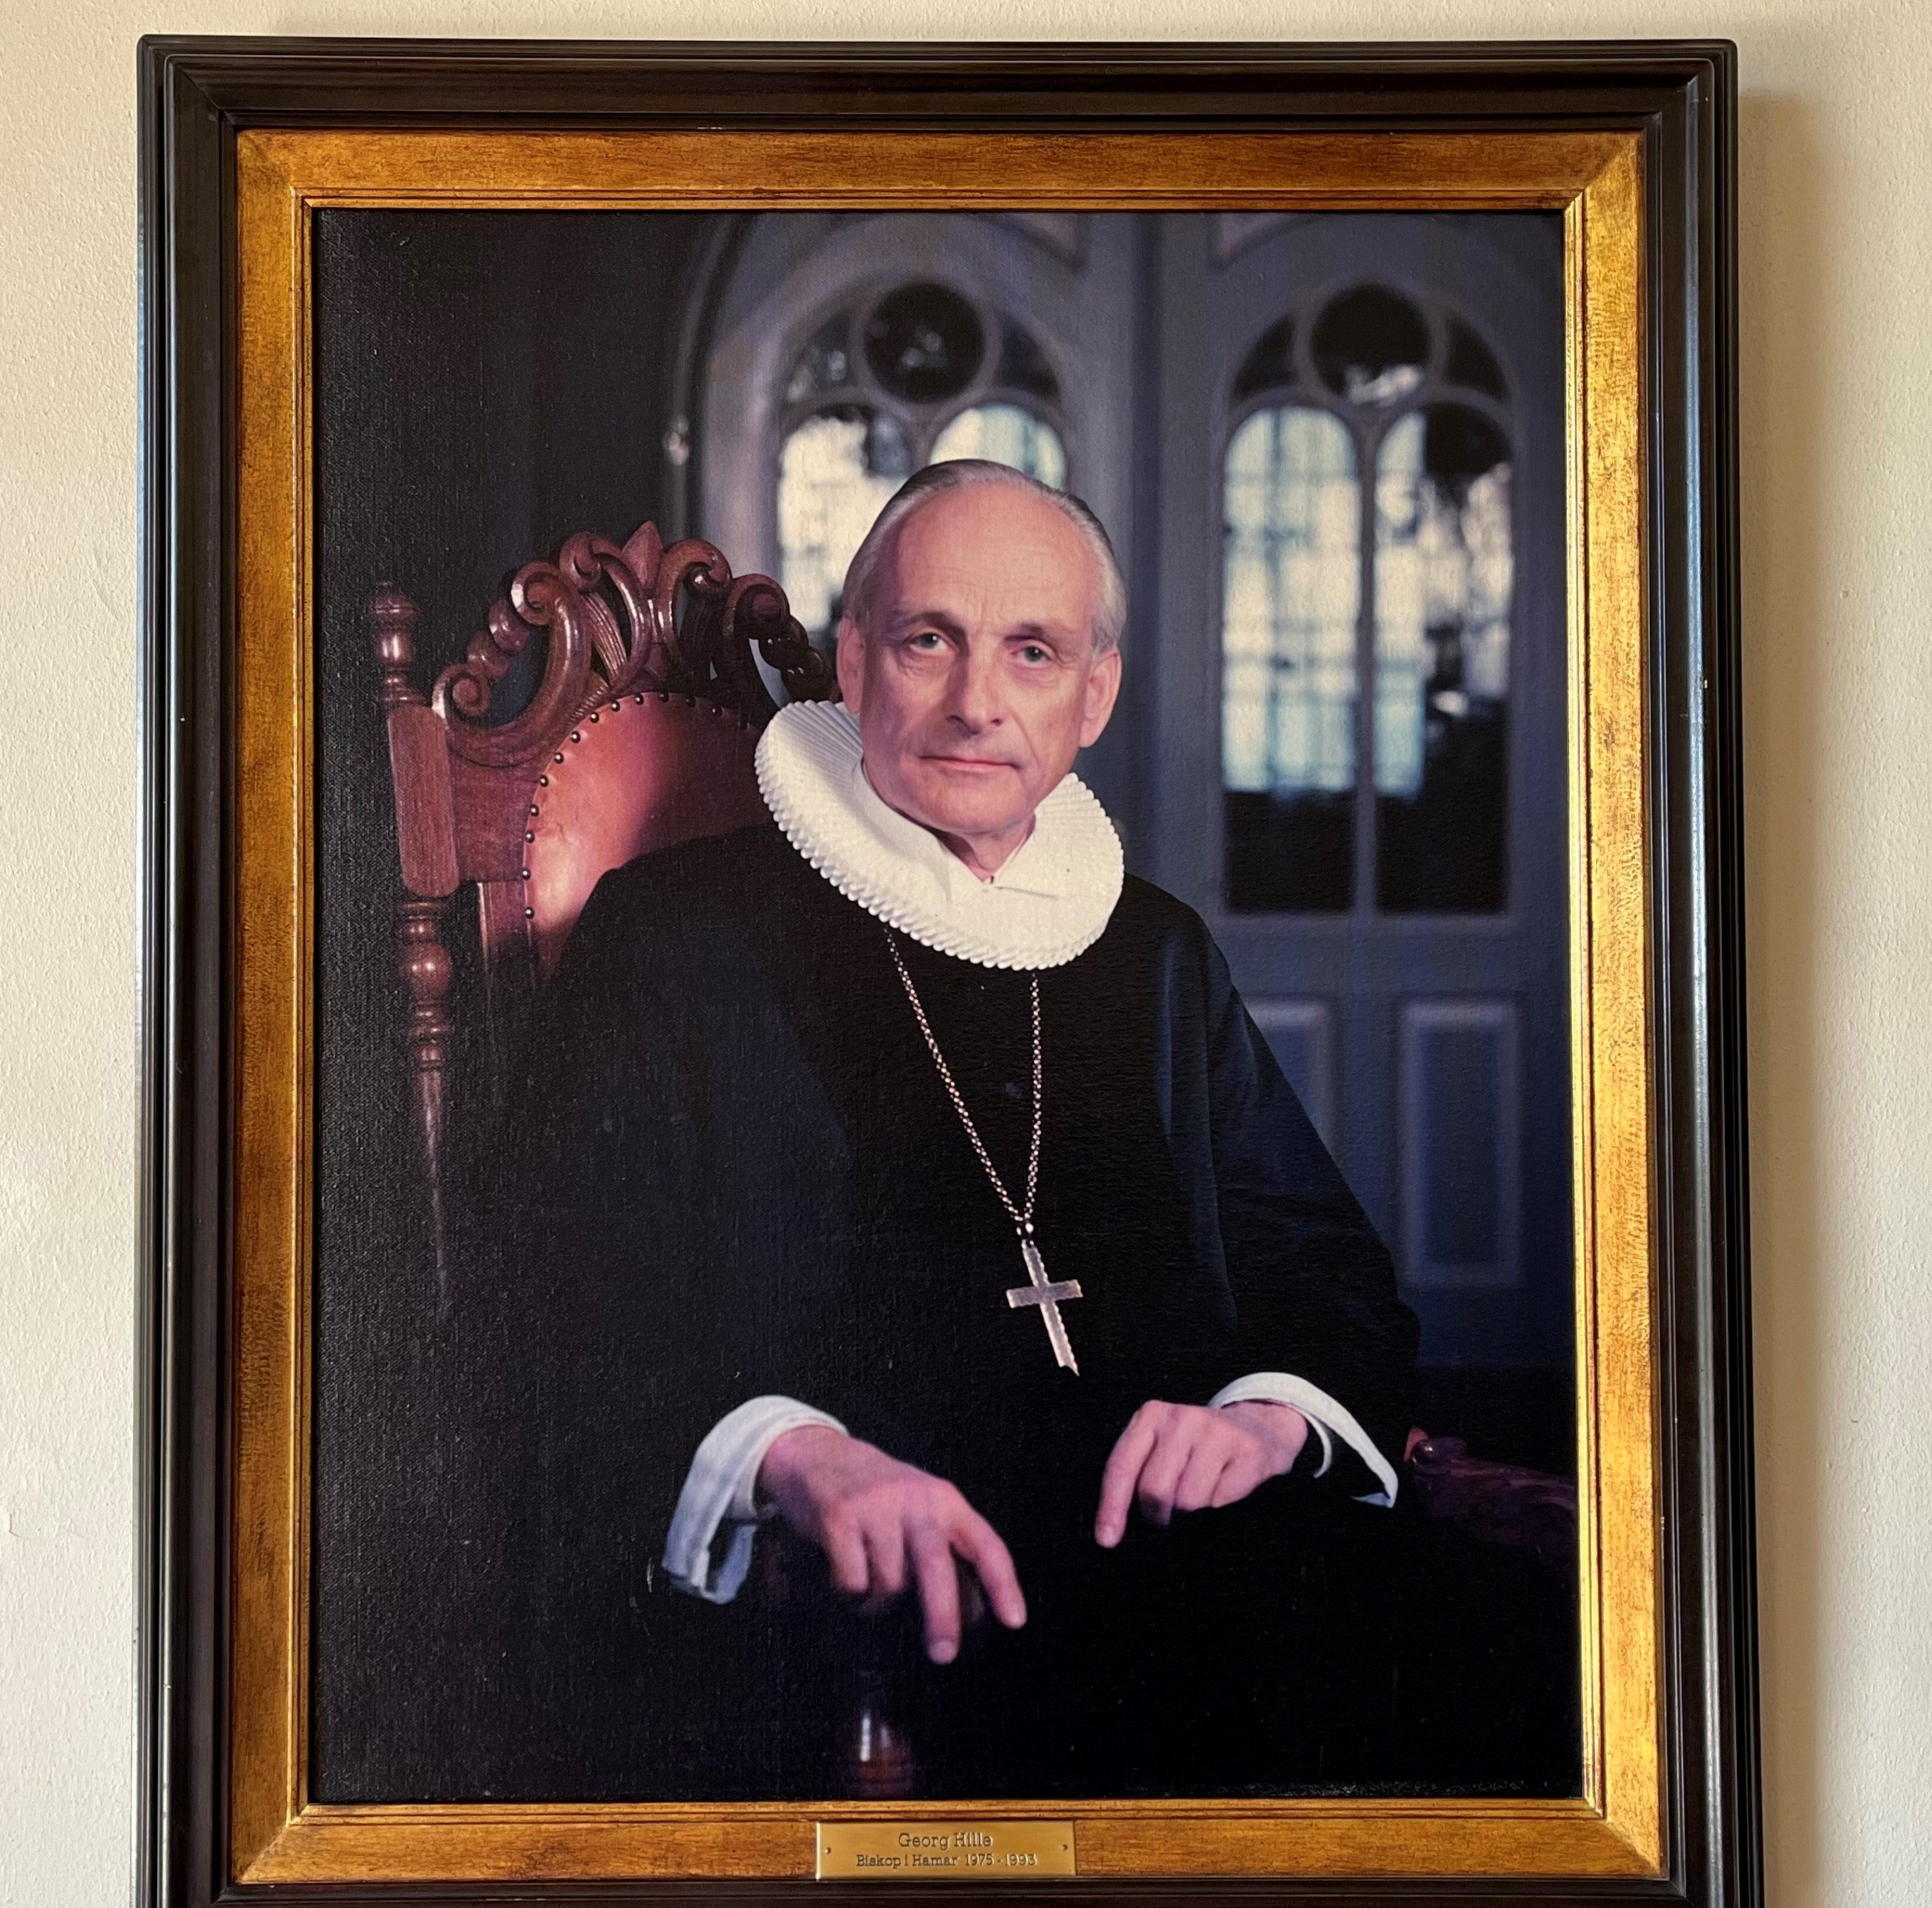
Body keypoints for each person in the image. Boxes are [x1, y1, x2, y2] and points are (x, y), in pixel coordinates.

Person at [489, 461, 1552, 1801]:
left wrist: (1268, 1421)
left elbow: (1327, 1274)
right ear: (859, 658)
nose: (977, 703)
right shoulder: (676, 936)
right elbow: (553, 1308)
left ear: (1093, 694)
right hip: (874, 1608)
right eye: (930, 640)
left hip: (1200, 1574)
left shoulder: (1153, 951)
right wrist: (796, 1455)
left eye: (1033, 652)